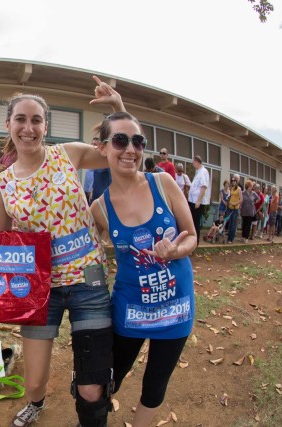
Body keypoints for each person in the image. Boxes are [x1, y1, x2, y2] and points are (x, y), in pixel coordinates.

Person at [0, 76, 126, 427]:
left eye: (36, 120)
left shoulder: (67, 154)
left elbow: (121, 151)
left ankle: (87, 394)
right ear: (9, 125)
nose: (28, 127)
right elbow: (2, 243)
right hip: (41, 290)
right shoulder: (1, 184)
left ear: (45, 126)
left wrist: (117, 107)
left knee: (92, 386)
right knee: (34, 381)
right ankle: (36, 403)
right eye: (21, 119)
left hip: (88, 281)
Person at [89, 111, 196, 427]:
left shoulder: (163, 183)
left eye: (138, 141)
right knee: (109, 378)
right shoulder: (100, 207)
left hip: (176, 307)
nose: (131, 149)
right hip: (130, 310)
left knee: (155, 385)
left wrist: (176, 249)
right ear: (103, 148)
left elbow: (191, 234)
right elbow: (87, 254)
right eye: (120, 141)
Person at [187, 156, 210, 245]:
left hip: (197, 202)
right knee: (192, 222)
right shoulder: (199, 172)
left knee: (195, 223)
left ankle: (195, 243)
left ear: (196, 162)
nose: (193, 165)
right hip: (193, 201)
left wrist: (198, 201)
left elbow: (203, 187)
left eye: (193, 163)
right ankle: (192, 242)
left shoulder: (203, 172)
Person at [225, 175, 243, 244]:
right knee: (228, 222)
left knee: (233, 224)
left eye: (234, 180)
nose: (233, 182)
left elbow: (241, 199)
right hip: (229, 207)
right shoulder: (231, 188)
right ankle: (228, 237)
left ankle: (230, 239)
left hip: (235, 208)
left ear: (236, 181)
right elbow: (230, 196)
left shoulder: (239, 189)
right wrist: (229, 201)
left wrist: (235, 203)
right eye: (232, 181)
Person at [83, 137, 101, 204]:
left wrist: (92, 190)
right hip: (86, 190)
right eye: (92, 144)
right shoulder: (90, 157)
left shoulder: (100, 159)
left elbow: (97, 176)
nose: (93, 146)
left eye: (95, 144)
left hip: (93, 191)